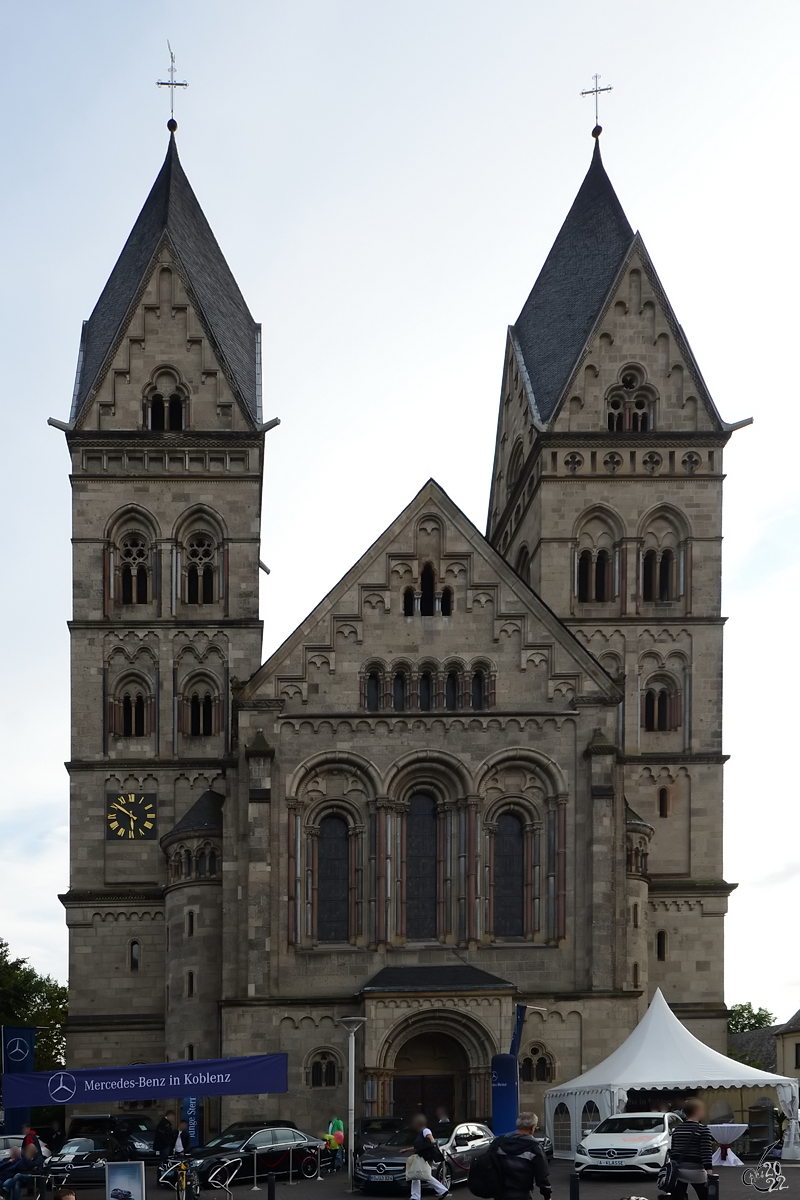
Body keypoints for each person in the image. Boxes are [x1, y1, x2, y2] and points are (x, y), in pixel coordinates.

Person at [490, 1112, 551, 1200]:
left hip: (500, 1194)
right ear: (533, 1127)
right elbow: (542, 1175)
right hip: (521, 1194)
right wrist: (547, 1195)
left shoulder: (499, 1142)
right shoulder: (534, 1146)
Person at [667, 1098, 715, 1200]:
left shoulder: (677, 1130)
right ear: (697, 1111)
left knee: (678, 1197)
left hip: (678, 1171)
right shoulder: (703, 1130)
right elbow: (706, 1152)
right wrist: (709, 1172)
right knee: (706, 1196)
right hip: (696, 1171)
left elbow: (673, 1151)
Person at [407, 1115, 451, 1200]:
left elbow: (430, 1138)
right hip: (423, 1156)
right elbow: (418, 1146)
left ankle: (442, 1190)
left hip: (425, 1157)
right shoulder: (420, 1133)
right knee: (418, 1174)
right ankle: (416, 1196)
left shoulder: (425, 1130)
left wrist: (431, 1141)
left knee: (423, 1174)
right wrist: (406, 1150)